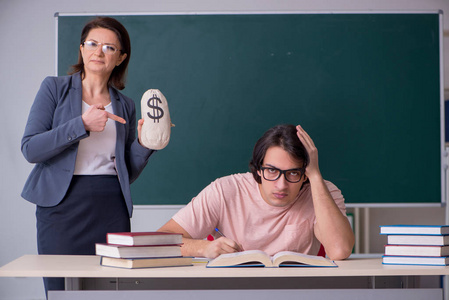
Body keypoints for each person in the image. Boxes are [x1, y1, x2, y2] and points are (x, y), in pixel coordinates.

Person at [21, 17, 155, 295]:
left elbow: (126, 172)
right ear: (81, 49)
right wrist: (81, 125)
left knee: (108, 290)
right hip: (61, 207)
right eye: (92, 44)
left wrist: (144, 143)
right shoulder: (54, 88)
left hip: (110, 207)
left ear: (120, 58)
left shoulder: (125, 105)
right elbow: (31, 149)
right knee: (61, 290)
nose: (99, 52)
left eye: (109, 47)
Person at [158, 124, 354, 260]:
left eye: (293, 173)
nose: (281, 185)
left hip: (296, 291)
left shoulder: (322, 192)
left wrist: (316, 176)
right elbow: (160, 240)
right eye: (272, 171)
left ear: (305, 174)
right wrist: (203, 248)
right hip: (234, 290)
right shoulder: (225, 190)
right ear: (259, 169)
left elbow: (340, 250)